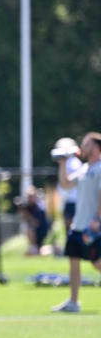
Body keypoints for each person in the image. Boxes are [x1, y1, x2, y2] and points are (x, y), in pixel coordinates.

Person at [52, 132, 101, 313]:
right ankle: (73, 302)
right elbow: (66, 184)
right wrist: (63, 162)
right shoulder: (84, 168)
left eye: (86, 144)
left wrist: (97, 218)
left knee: (97, 263)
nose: (82, 147)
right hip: (78, 225)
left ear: (96, 147)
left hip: (94, 225)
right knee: (73, 260)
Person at [53, 138, 84, 234]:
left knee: (73, 231)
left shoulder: (74, 163)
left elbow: (67, 184)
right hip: (69, 202)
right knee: (69, 231)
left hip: (74, 202)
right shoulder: (67, 162)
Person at [16, 186, 50, 256]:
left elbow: (35, 223)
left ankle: (36, 249)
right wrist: (20, 209)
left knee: (29, 231)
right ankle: (35, 249)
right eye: (28, 196)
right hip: (35, 232)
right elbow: (21, 218)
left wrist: (26, 213)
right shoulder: (28, 206)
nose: (29, 198)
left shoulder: (39, 208)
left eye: (31, 196)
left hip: (42, 232)